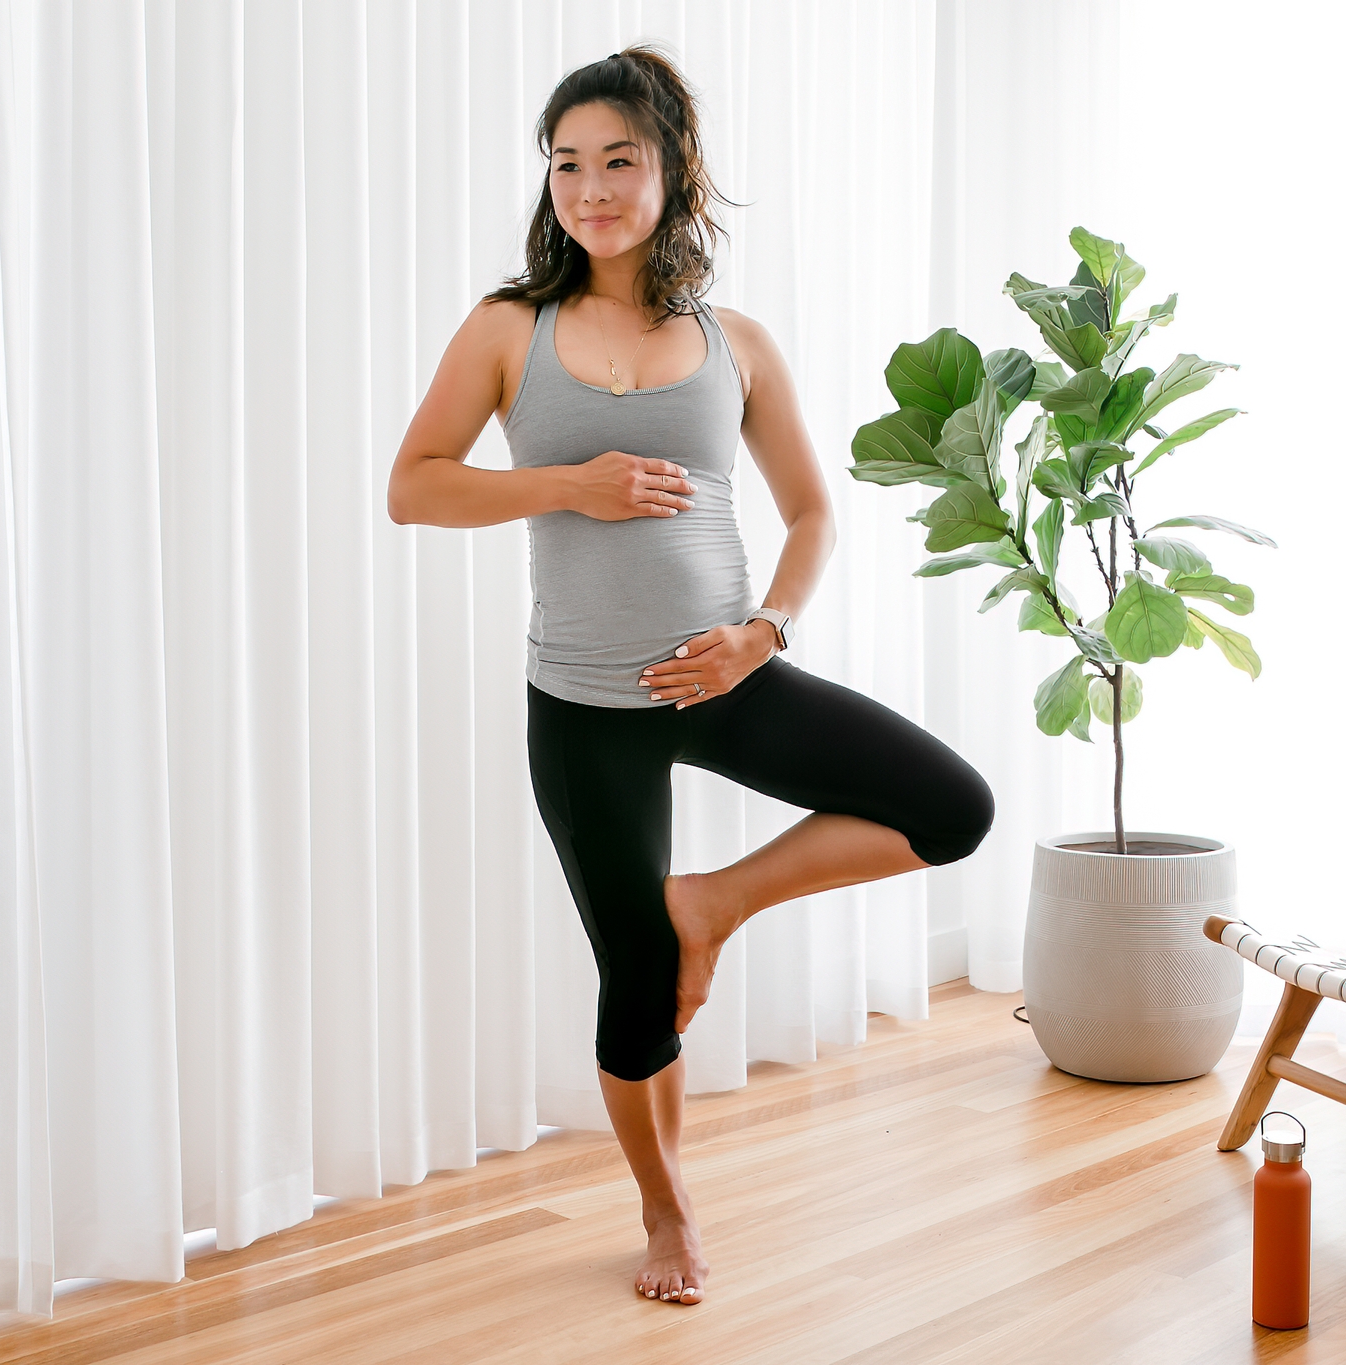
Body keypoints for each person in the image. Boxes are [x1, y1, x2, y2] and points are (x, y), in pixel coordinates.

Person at [385, 46, 994, 1307]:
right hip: (585, 706)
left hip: (727, 675)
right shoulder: (512, 329)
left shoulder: (737, 344)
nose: (590, 188)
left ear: (673, 172)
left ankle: (713, 900)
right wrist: (570, 483)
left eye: (619, 160)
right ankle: (666, 1214)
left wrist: (763, 631)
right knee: (634, 993)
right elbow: (415, 486)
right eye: (567, 163)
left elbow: (813, 512)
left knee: (953, 808)